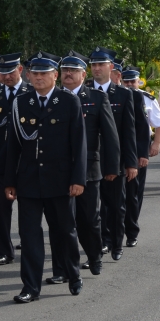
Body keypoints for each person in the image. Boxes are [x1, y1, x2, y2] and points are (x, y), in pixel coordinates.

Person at [5, 52, 87, 302]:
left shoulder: (69, 101)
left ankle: (73, 274)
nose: (38, 77)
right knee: (29, 235)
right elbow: (13, 146)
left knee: (64, 231)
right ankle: (30, 287)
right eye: (35, 73)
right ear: (29, 75)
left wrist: (78, 179)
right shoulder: (21, 102)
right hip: (29, 180)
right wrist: (10, 181)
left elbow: (79, 144)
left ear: (55, 75)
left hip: (60, 180)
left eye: (44, 73)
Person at [58, 51, 118, 276]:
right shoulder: (54, 98)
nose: (68, 74)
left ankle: (94, 256)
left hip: (88, 168)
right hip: (59, 168)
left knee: (89, 219)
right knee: (62, 221)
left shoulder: (96, 98)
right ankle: (64, 267)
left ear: (84, 75)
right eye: (65, 70)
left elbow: (110, 136)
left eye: (73, 71)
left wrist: (112, 167)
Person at [88, 47, 137, 261]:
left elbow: (129, 131)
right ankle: (102, 242)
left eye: (101, 64)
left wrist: (131, 163)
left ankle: (117, 243)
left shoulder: (124, 94)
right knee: (92, 208)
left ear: (111, 67)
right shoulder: (85, 92)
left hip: (114, 160)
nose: (97, 68)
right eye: (94, 65)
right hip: (90, 160)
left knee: (116, 206)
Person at [0, 53, 33, 265]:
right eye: (2, 73)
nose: (6, 77)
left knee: (27, 208)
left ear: (20, 70)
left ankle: (29, 245)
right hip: (0, 160)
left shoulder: (31, 93)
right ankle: (5, 251)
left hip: (25, 160)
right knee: (1, 209)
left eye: (10, 72)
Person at [120, 66, 158, 247]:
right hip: (115, 153)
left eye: (132, 81)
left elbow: (144, 128)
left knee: (133, 194)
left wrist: (145, 152)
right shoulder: (113, 95)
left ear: (138, 81)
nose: (129, 84)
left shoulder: (143, 98)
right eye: (125, 81)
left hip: (135, 153)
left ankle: (131, 231)